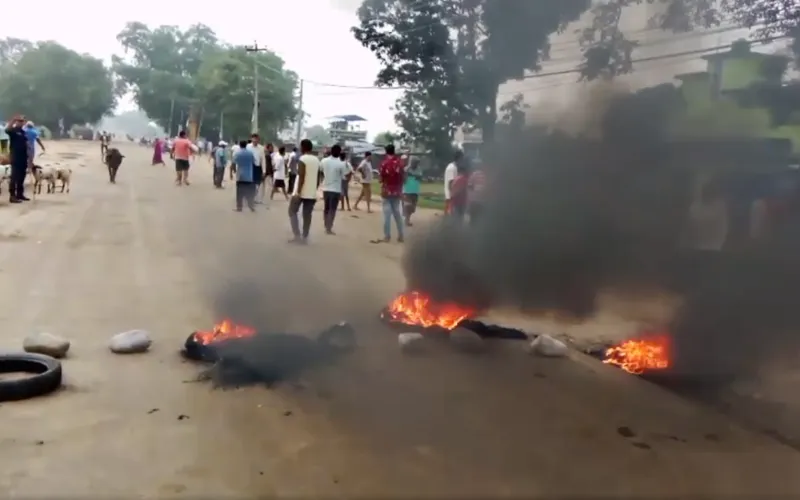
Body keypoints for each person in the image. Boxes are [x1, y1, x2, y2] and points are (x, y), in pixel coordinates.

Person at [288, 139, 320, 244]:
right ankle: (305, 236)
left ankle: (296, 235)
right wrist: (314, 188)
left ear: (303, 147)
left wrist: (298, 191)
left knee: (292, 211)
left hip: (301, 191)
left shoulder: (303, 159)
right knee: (307, 215)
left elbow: (301, 176)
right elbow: (318, 177)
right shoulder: (316, 160)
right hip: (311, 192)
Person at [379, 144, 404, 242]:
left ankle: (387, 236)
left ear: (386, 151)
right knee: (397, 213)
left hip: (386, 190)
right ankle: (401, 235)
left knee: (387, 215)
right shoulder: (400, 163)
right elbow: (403, 177)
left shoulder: (384, 163)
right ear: (394, 151)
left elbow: (381, 178)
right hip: (397, 191)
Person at [320, 144, 347, 235]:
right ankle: (329, 227)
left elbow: (320, 171)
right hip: (336, 189)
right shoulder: (341, 164)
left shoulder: (324, 161)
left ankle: (326, 225)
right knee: (332, 209)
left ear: (331, 151)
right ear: (339, 153)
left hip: (326, 188)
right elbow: (344, 176)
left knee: (326, 208)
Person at [5, 116, 29, 202]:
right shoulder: (13, 131)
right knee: (14, 177)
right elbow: (7, 130)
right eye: (19, 121)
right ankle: (12, 196)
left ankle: (20, 194)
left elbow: (26, 144)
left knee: (21, 177)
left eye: (22, 121)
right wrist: (12, 120)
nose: (21, 122)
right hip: (16, 157)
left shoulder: (23, 132)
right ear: (16, 122)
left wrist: (29, 157)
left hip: (23, 157)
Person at [233, 140, 257, 212]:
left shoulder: (237, 153)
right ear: (246, 145)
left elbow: (233, 163)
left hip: (240, 175)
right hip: (249, 175)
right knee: (249, 192)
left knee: (239, 193)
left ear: (240, 145)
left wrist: (233, 171)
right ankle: (251, 206)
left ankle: (239, 207)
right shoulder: (250, 153)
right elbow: (254, 162)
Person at [403, 157, 422, 226]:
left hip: (415, 190)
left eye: (417, 163)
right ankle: (406, 220)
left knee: (413, 208)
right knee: (408, 205)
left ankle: (407, 218)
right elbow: (404, 179)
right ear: (411, 162)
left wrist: (412, 175)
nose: (416, 164)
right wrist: (407, 174)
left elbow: (419, 177)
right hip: (407, 190)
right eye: (415, 162)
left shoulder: (419, 169)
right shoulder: (406, 169)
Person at [443, 150, 461, 215]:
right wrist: (454, 194)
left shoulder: (454, 167)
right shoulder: (451, 168)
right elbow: (451, 182)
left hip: (451, 194)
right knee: (450, 210)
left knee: (450, 210)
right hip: (450, 194)